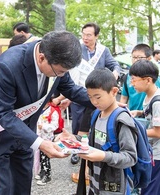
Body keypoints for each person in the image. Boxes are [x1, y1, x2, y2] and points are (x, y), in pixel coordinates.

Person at [0, 30, 94, 195]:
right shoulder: (8, 64)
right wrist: (41, 143)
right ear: (42, 58)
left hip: (25, 137)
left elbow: (71, 89)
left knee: (23, 189)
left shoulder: (57, 63)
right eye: (61, 72)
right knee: (2, 191)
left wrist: (104, 101)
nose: (62, 76)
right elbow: (5, 115)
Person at [57, 68, 137, 194]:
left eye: (98, 97)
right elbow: (92, 141)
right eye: (90, 97)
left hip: (114, 187)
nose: (94, 102)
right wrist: (73, 139)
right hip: (95, 184)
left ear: (114, 91)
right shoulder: (96, 114)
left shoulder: (121, 120)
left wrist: (103, 156)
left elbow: (130, 157)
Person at [53, 22, 121, 167]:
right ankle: (76, 152)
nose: (85, 37)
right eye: (83, 34)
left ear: (96, 36)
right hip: (78, 93)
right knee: (77, 123)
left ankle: (94, 150)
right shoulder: (76, 48)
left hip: (97, 95)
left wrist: (114, 73)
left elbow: (114, 65)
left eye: (89, 35)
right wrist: (65, 97)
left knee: (95, 123)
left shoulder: (103, 51)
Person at [128, 59, 160, 195]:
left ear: (148, 80)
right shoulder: (150, 95)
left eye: (134, 79)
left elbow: (158, 132)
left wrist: (135, 132)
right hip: (156, 151)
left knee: (149, 190)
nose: (132, 83)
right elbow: (154, 116)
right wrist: (140, 112)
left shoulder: (158, 102)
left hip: (158, 154)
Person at [120, 43, 160, 111]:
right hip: (133, 117)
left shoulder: (155, 78)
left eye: (139, 57)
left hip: (150, 117)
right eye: (134, 57)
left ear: (149, 58)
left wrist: (142, 112)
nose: (136, 60)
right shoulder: (128, 77)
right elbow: (124, 98)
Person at [34, 95, 64, 186]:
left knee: (45, 157)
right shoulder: (39, 110)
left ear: (48, 102)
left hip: (47, 138)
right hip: (39, 136)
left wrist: (44, 127)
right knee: (40, 157)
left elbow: (55, 125)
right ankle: (42, 172)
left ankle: (47, 175)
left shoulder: (52, 111)